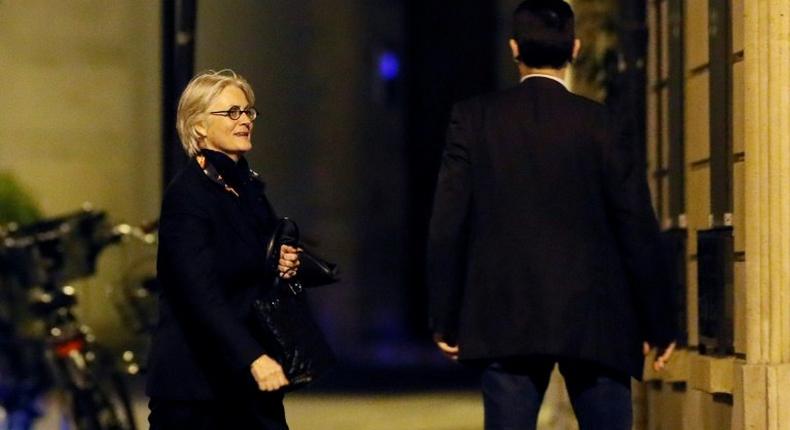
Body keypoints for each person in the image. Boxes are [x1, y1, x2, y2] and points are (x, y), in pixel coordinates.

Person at [426, 1, 677, 429]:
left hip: (505, 313)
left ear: (513, 49)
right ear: (575, 48)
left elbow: (449, 223)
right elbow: (635, 222)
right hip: (597, 316)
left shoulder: (474, 120)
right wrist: (658, 320)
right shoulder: (602, 123)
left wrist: (445, 319)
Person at [146, 69, 300, 429]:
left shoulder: (247, 188)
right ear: (198, 126)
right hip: (196, 389)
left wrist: (281, 262)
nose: (245, 120)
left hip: (245, 385)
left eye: (248, 112)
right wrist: (253, 358)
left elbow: (249, 262)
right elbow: (196, 292)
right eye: (232, 113)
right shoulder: (188, 196)